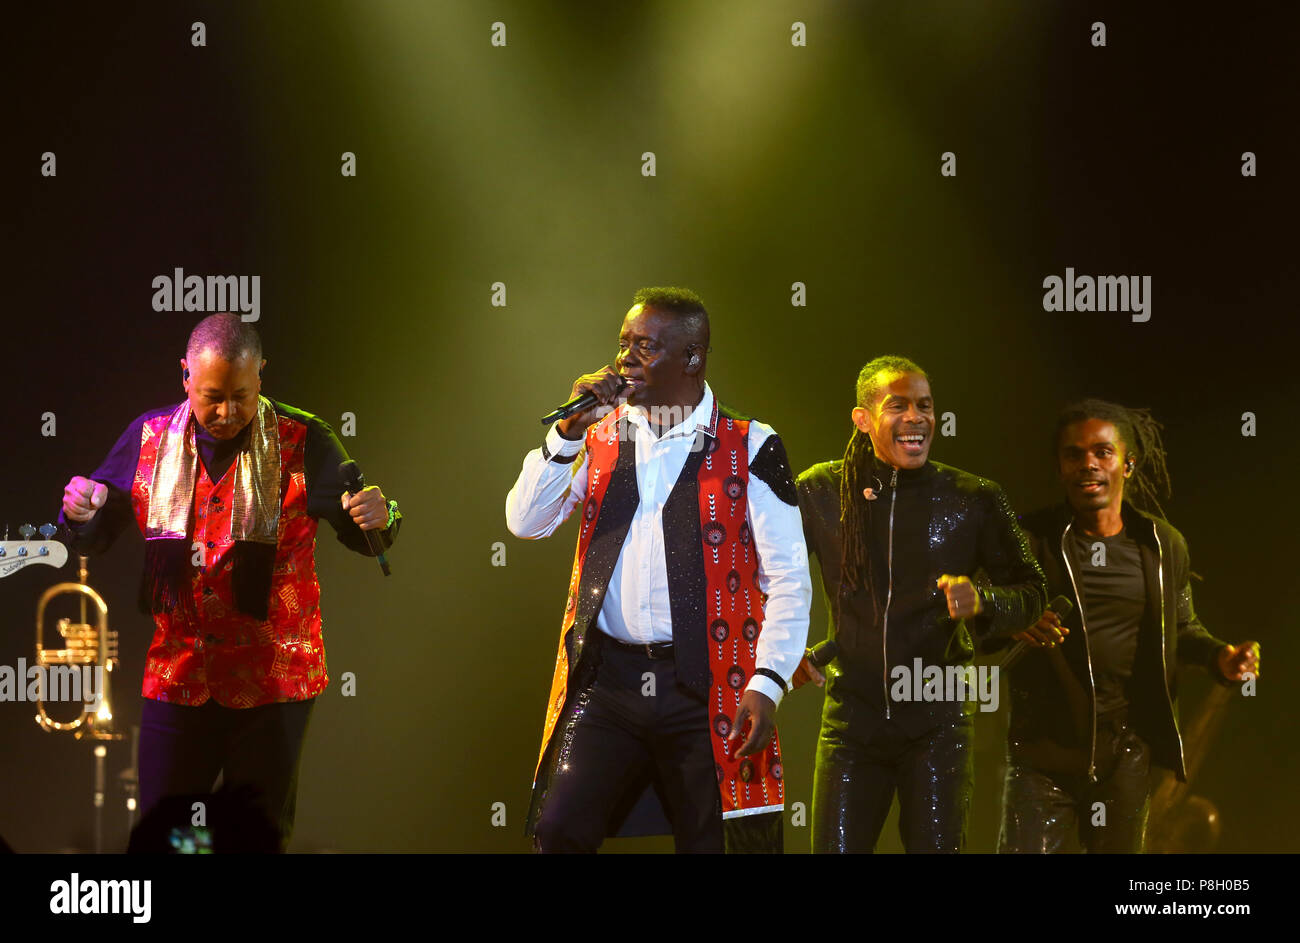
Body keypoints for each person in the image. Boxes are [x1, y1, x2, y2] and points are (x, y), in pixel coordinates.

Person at [60, 313, 400, 851]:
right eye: (212, 396)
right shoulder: (147, 438)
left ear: (261, 375)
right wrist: (80, 510)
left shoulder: (304, 440)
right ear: (186, 378)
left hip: (274, 684)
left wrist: (381, 516)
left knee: (254, 842)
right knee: (161, 841)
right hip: (180, 676)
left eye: (240, 395)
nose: (226, 412)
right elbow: (93, 531)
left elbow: (365, 534)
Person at [506, 287, 810, 853]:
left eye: (645, 347)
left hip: (707, 684)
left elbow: (789, 578)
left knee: (714, 841)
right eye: (624, 344)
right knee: (558, 829)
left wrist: (768, 682)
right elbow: (525, 521)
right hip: (609, 681)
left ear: (692, 357)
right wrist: (566, 434)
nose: (625, 360)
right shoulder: (597, 435)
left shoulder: (752, 445)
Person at [793, 355, 1046, 853]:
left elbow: (1033, 593)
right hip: (851, 725)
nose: (916, 417)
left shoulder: (973, 498)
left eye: (925, 406)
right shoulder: (820, 492)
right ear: (862, 419)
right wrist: (783, 655)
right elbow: (767, 579)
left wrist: (985, 601)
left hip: (937, 725)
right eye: (899, 406)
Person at [996, 399, 1259, 853]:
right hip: (1043, 756)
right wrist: (1011, 618)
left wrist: (1221, 656)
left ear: (1128, 464)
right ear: (1060, 467)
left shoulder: (1162, 545)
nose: (1087, 465)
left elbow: (1183, 628)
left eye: (1102, 452)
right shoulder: (1028, 539)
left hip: (1126, 756)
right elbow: (981, 618)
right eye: (1073, 455)